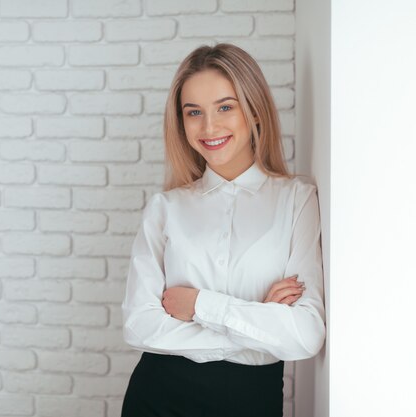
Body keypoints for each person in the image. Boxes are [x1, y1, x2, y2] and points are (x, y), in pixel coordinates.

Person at [120, 43, 326, 416]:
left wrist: (200, 304)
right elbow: (139, 326)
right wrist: (257, 322)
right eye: (193, 112)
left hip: (251, 401)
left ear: (255, 110)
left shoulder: (296, 200)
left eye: (225, 107)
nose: (209, 126)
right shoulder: (165, 208)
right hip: (157, 397)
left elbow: (306, 334)